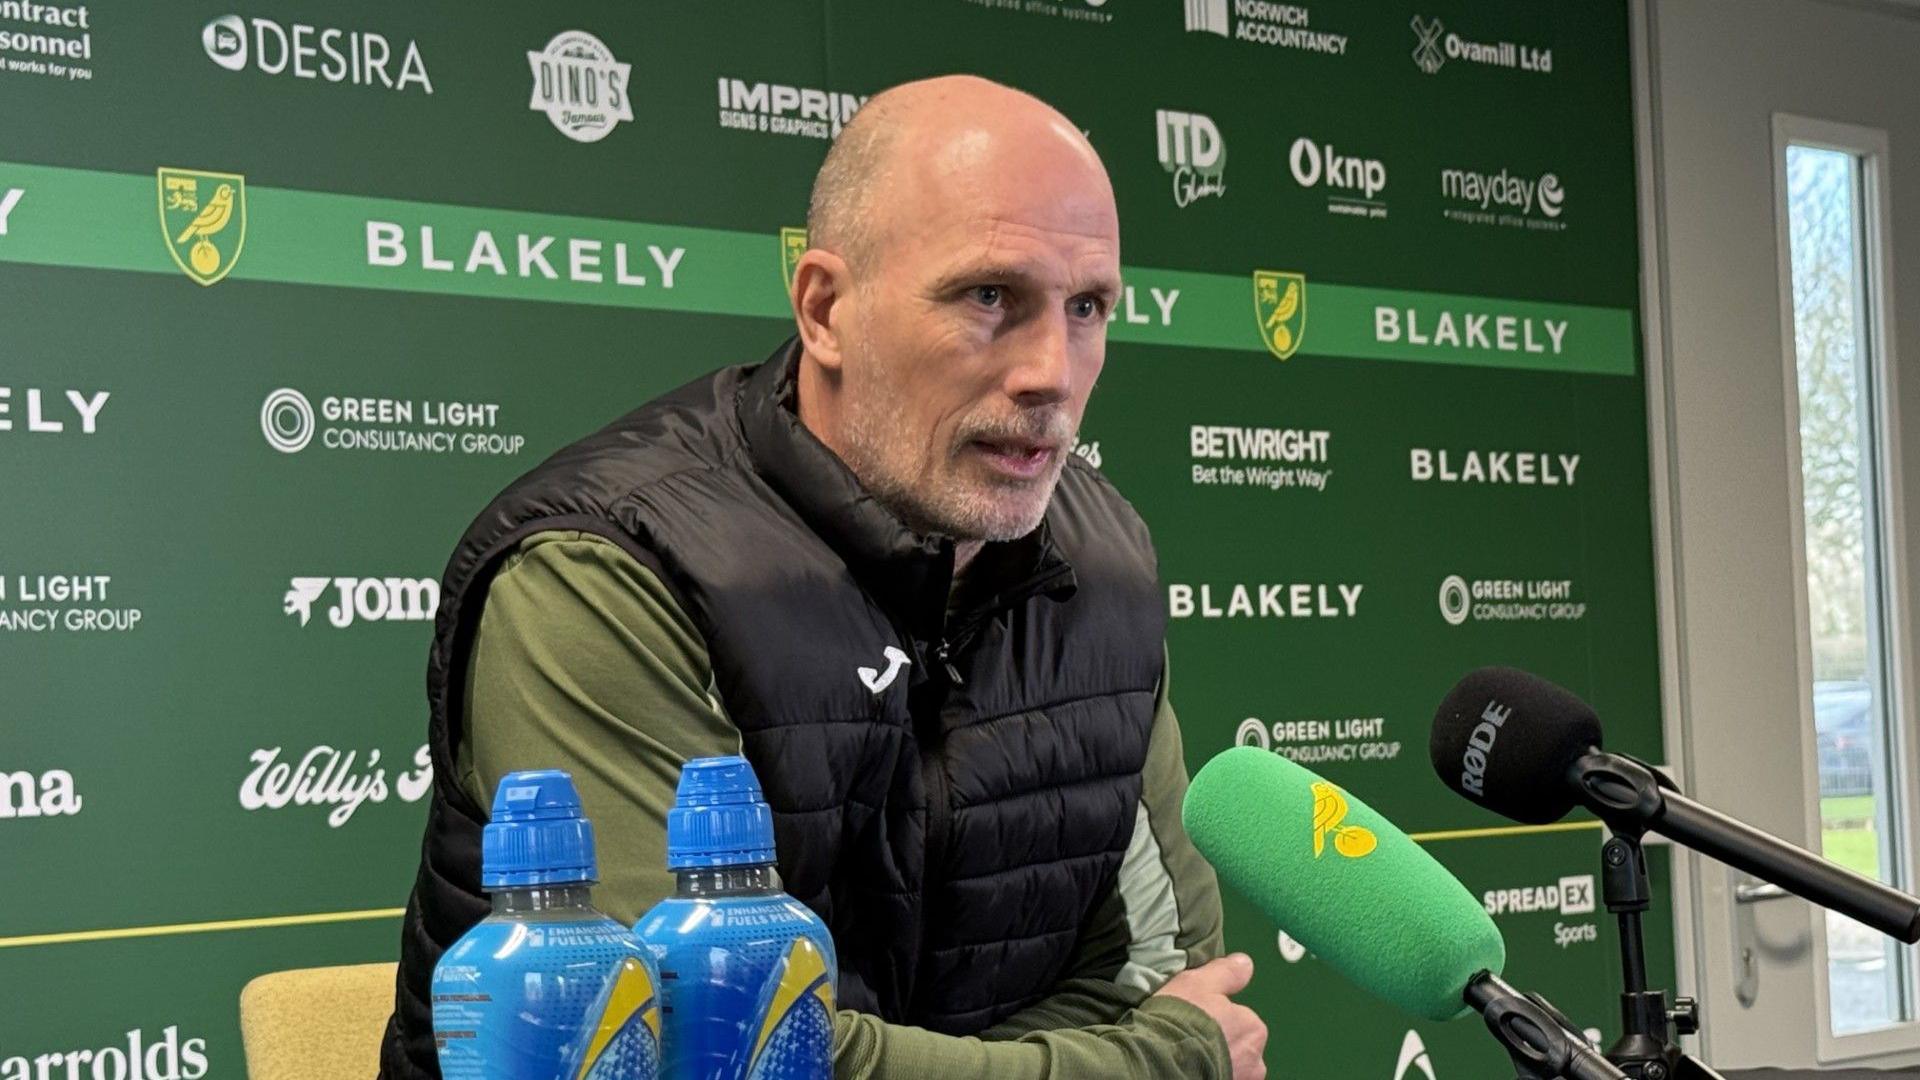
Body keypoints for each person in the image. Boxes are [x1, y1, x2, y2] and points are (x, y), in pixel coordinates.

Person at [378, 74, 1268, 1080]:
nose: (1052, 373)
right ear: (825, 309)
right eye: (990, 297)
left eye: (1089, 307)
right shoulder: (604, 573)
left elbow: (1161, 973)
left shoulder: (1102, 566)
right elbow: (694, 1049)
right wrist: (1151, 1066)